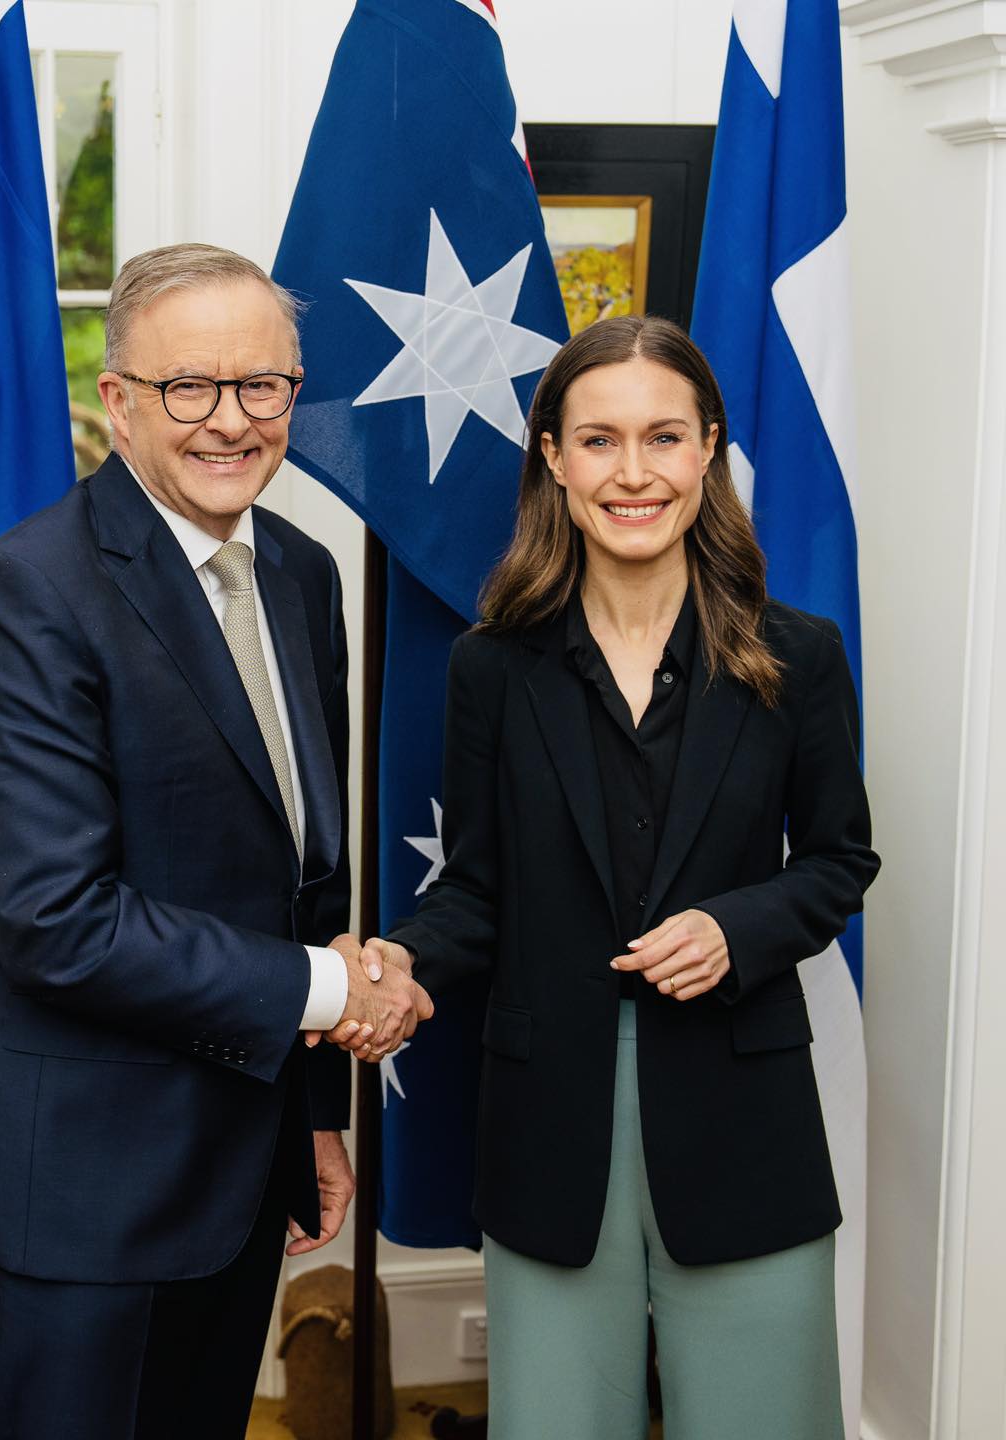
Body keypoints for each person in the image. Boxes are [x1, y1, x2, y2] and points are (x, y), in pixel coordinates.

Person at [0, 243, 431, 1440]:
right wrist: (330, 990)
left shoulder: (300, 576)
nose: (230, 421)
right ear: (118, 401)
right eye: (187, 387)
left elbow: (303, 870)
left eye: (261, 386)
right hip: (81, 1187)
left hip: (243, 1164)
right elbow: (58, 919)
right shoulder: (27, 593)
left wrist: (314, 1115)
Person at [347, 316, 879, 1439]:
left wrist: (741, 928)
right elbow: (476, 889)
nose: (632, 472)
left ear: (707, 450)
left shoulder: (801, 654)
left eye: (663, 437)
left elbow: (839, 861)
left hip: (747, 1123)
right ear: (551, 456)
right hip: (549, 1130)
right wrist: (402, 956)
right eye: (598, 440)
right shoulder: (490, 665)